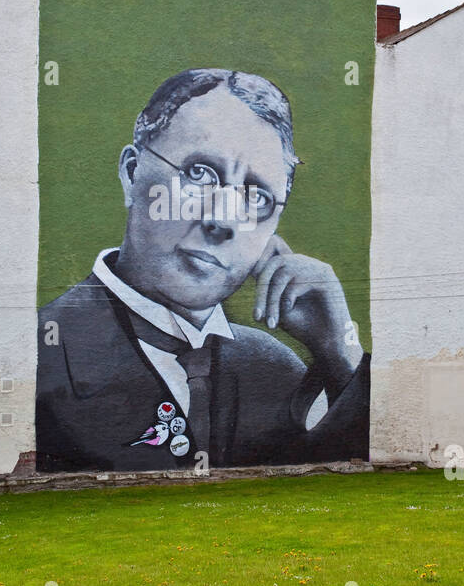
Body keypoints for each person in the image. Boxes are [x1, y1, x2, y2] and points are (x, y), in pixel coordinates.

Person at [36, 68, 369, 472]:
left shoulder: (274, 369)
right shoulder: (41, 352)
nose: (225, 221)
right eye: (199, 173)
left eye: (257, 197)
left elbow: (338, 486)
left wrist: (340, 353)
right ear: (131, 172)